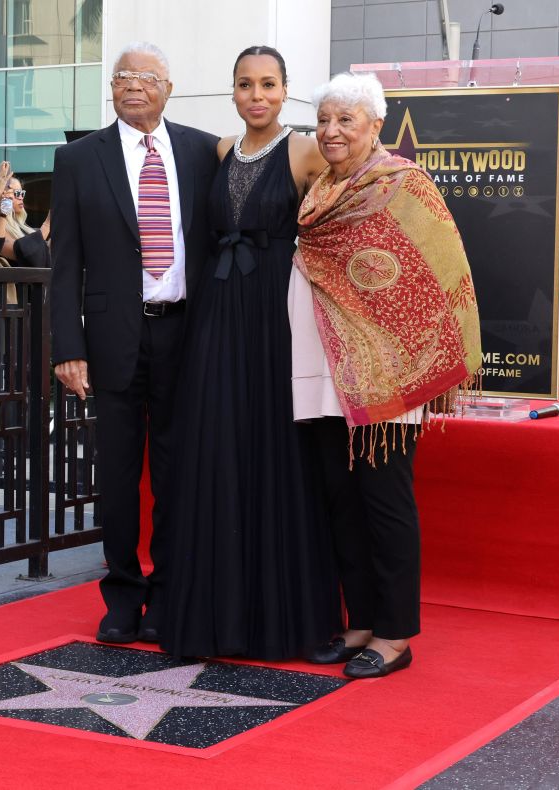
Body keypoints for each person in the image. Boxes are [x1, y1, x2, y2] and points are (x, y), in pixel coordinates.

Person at [292, 72, 481, 679]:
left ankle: (396, 635)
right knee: (341, 502)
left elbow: (437, 274)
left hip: (387, 378)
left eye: (346, 119)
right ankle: (362, 621)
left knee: (384, 502)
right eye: (324, 120)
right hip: (322, 371)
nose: (331, 131)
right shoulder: (318, 189)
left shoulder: (403, 185)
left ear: (376, 125)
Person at [159, 46, 340, 661]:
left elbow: (351, 214)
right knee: (216, 451)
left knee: (278, 455)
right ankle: (214, 618)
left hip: (277, 319)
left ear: (286, 90)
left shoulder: (306, 149)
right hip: (217, 316)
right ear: (232, 92)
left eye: (268, 84)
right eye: (244, 85)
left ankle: (289, 621)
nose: (256, 95)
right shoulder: (218, 152)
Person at [50, 41, 219, 645]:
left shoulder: (204, 150)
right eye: (122, 76)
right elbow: (64, 264)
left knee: (179, 474)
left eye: (146, 77)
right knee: (118, 476)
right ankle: (122, 595)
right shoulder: (77, 159)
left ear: (168, 88)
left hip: (187, 333)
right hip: (112, 337)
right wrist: (67, 347)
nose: (132, 85)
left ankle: (172, 594)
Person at [0, 171, 51, 268]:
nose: (21, 198)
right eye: (17, 193)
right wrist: (48, 224)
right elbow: (20, 253)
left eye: (22, 193)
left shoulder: (20, 226)